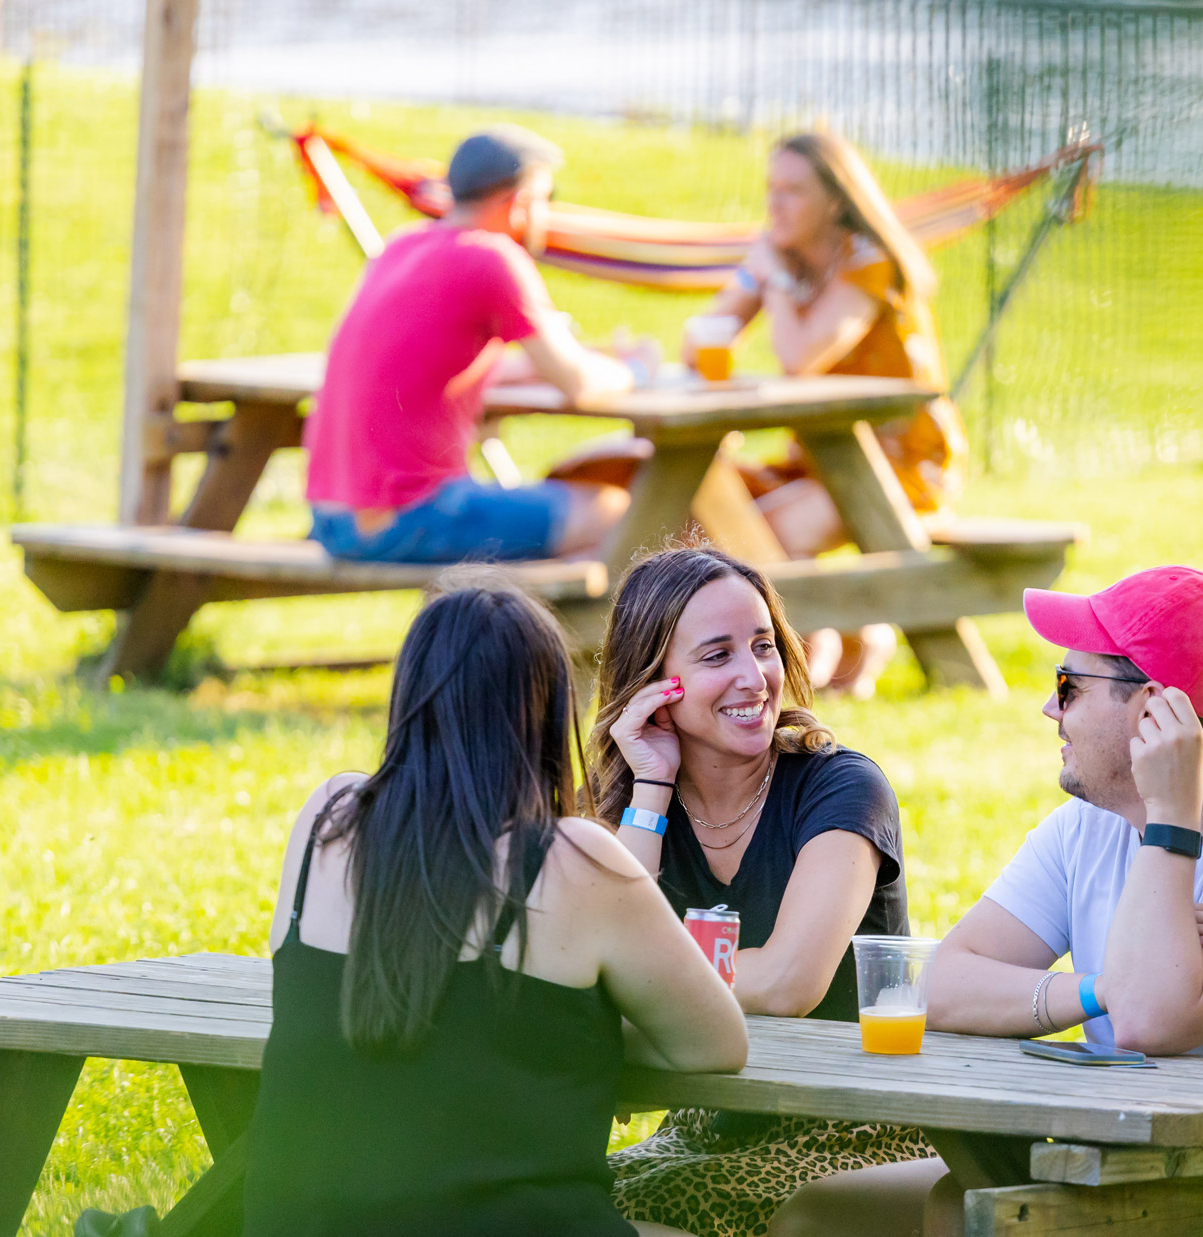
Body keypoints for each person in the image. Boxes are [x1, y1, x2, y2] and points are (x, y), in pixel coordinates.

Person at [765, 565, 1203, 1237]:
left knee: (972, 1216)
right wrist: (1102, 985)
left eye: (1068, 686)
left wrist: (1170, 825)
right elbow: (943, 984)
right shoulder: (1087, 826)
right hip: (1138, 1162)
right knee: (816, 1220)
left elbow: (1150, 1021)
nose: (1049, 708)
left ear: (1156, 709)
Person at [242, 576, 749, 1236]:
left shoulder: (326, 820)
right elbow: (717, 1042)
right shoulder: (576, 860)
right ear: (542, 714)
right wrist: (574, 1031)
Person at [588, 546, 932, 1237]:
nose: (754, 677)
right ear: (655, 684)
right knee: (572, 1209)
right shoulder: (635, 812)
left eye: (763, 645)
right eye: (717, 656)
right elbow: (597, 973)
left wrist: (642, 990)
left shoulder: (841, 787)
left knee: (651, 1212)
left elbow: (787, 981)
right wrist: (651, 788)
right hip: (711, 1123)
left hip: (858, 1127)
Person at [554, 132, 963, 696]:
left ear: (836, 201)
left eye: (793, 191)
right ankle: (839, 644)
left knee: (763, 536)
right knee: (725, 526)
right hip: (815, 461)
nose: (775, 205)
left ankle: (833, 649)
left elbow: (800, 356)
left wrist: (770, 277)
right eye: (771, 189)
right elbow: (702, 343)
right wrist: (752, 279)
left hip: (899, 463)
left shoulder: (868, 264)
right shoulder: (784, 258)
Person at [302, 125, 645, 565]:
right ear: (519, 203)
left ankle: (524, 626)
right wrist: (634, 372)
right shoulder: (492, 258)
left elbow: (444, 366)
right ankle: (561, 632)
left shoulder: (403, 245)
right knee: (620, 512)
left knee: (561, 532)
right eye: (544, 199)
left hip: (331, 518)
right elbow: (577, 383)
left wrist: (579, 360)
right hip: (402, 517)